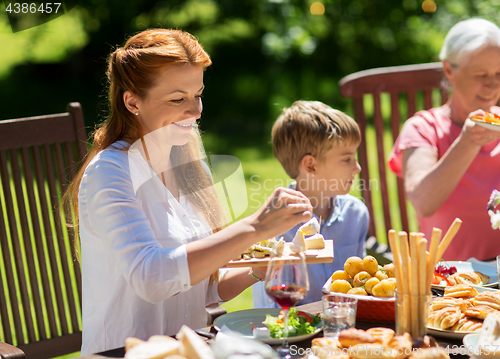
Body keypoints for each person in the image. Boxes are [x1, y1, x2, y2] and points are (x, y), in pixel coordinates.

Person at [65, 29, 313, 354]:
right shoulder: (110, 172)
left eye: (198, 94)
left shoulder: (188, 163)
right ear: (132, 101)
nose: (196, 111)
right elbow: (152, 277)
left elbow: (206, 288)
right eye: (177, 99)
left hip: (192, 349)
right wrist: (254, 228)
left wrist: (256, 269)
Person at [388, 18, 500, 261]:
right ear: (449, 70)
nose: (492, 84)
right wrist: (468, 142)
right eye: (481, 74)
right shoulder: (424, 128)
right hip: (448, 282)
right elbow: (423, 201)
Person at [252, 100, 369, 308]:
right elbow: (269, 306)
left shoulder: (356, 214)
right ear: (311, 165)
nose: (357, 167)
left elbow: (361, 284)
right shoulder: (275, 225)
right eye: (347, 159)